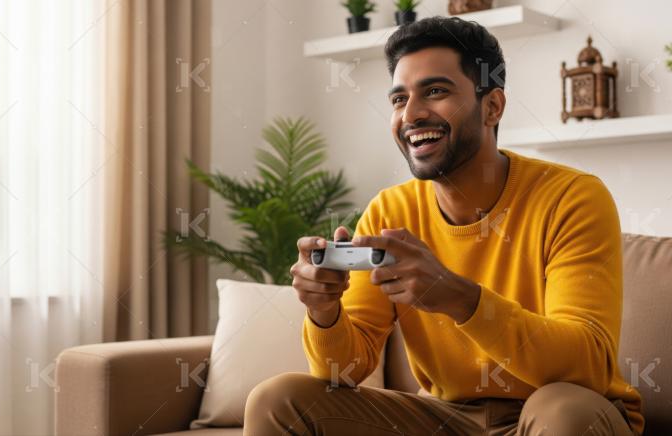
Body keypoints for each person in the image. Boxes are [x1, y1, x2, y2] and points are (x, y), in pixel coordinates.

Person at [244, 16, 644, 436]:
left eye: (435, 92)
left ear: (492, 106)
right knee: (277, 400)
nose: (411, 115)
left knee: (561, 410)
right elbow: (344, 371)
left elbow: (587, 363)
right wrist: (324, 312)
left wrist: (458, 298)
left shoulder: (572, 197)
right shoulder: (390, 209)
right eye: (399, 99)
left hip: (561, 411)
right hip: (446, 419)